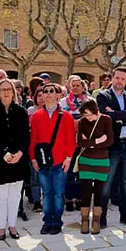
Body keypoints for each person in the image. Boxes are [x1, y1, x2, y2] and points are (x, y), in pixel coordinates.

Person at [96, 68, 126, 228]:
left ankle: (125, 215)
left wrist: (118, 115)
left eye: (122, 78)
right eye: (117, 77)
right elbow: (105, 116)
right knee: (107, 182)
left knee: (125, 182)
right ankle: (101, 217)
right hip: (112, 144)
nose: (119, 81)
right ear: (112, 78)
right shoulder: (104, 95)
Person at [0, 78, 31, 240]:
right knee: (2, 196)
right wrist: (4, 153)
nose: (6, 92)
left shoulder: (21, 111)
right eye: (2, 89)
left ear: (14, 92)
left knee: (15, 196)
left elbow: (26, 135)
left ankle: (12, 226)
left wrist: (20, 153)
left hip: (18, 159)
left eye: (9, 89)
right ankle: (0, 228)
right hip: (0, 160)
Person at [30, 84, 76, 235]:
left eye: (52, 91)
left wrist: (68, 158)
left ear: (58, 95)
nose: (48, 94)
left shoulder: (66, 116)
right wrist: (33, 158)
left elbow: (71, 139)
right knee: (47, 193)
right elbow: (33, 140)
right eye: (45, 91)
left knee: (58, 193)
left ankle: (57, 222)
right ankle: (47, 221)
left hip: (60, 161)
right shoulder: (36, 116)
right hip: (43, 162)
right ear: (41, 95)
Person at [75, 100, 114, 234]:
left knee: (99, 191)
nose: (88, 117)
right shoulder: (82, 122)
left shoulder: (106, 119)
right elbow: (80, 142)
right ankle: (84, 221)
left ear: (94, 110)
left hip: (102, 160)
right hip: (86, 160)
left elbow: (109, 140)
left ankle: (96, 221)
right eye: (85, 115)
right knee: (85, 191)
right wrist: (97, 141)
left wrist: (90, 143)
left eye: (89, 114)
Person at [61, 75, 90, 213]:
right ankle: (68, 199)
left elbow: (94, 119)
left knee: (82, 171)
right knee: (69, 171)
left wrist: (81, 123)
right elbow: (60, 119)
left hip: (84, 141)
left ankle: (80, 198)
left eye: (78, 85)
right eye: (73, 85)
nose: (76, 87)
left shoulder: (90, 102)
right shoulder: (62, 102)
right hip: (68, 141)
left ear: (83, 87)